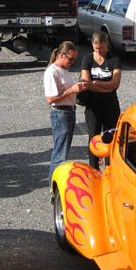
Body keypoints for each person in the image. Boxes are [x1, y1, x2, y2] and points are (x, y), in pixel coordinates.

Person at [44, 41, 88, 183]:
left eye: (74, 59)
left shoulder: (63, 70)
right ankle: (54, 186)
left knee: (63, 151)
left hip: (68, 112)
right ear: (62, 55)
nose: (72, 62)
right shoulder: (52, 72)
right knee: (60, 154)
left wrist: (77, 89)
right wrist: (71, 90)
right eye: (71, 59)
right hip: (61, 113)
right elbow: (51, 99)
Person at [79, 32, 121, 169]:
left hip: (110, 105)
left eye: (101, 48)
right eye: (95, 48)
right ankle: (94, 168)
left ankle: (110, 168)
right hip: (93, 105)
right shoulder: (87, 59)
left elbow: (116, 84)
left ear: (107, 44)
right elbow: (86, 83)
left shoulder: (113, 59)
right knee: (93, 136)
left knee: (111, 136)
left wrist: (96, 83)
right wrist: (106, 88)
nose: (98, 51)